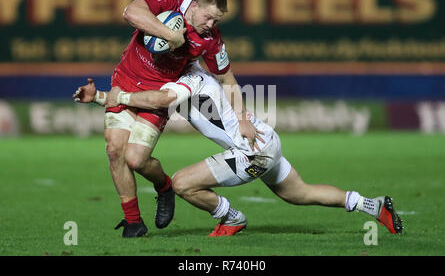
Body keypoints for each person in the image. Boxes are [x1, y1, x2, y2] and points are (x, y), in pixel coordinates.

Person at [74, 62, 404, 237]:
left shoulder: (188, 80)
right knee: (299, 193)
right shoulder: (184, 78)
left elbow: (158, 101)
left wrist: (110, 97)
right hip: (265, 140)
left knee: (182, 182)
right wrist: (102, 97)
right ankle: (374, 205)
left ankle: (231, 218)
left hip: (252, 151)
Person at [75, 0, 260, 238]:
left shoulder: (210, 39)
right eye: (208, 17)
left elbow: (227, 77)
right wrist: (170, 35)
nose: (211, 24)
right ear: (194, 6)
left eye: (216, 20)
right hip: (125, 80)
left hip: (157, 96)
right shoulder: (172, 0)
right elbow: (130, 12)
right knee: (114, 149)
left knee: (136, 159)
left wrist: (242, 118)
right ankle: (133, 222)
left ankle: (164, 186)